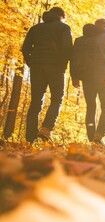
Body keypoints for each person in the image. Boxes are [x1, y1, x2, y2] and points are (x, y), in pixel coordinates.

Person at [22, 7, 73, 143]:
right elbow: (67, 49)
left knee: (36, 101)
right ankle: (46, 129)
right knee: (57, 98)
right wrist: (62, 66)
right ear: (61, 16)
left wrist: (31, 63)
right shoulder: (64, 28)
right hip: (55, 67)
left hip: (37, 67)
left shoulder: (35, 28)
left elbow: (25, 48)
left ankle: (30, 138)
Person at [71, 19, 105, 145]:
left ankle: (91, 138)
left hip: (87, 79)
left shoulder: (82, 40)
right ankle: (99, 135)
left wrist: (75, 76)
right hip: (104, 78)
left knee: (91, 107)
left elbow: (75, 59)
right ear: (104, 26)